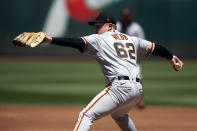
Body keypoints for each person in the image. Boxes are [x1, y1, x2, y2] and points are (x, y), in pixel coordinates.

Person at [43, 12, 183, 131]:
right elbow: (157, 48)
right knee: (119, 115)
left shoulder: (100, 39)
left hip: (120, 88)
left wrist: (50, 40)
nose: (95, 29)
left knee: (86, 115)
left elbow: (75, 42)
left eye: (98, 25)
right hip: (137, 90)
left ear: (110, 26)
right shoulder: (131, 39)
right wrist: (171, 58)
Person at [117, 8, 146, 109]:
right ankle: (118, 99)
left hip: (133, 57)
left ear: (130, 17)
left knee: (138, 77)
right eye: (124, 16)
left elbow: (143, 42)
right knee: (116, 77)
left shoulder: (136, 28)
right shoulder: (117, 26)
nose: (125, 18)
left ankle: (140, 99)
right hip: (119, 57)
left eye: (127, 16)